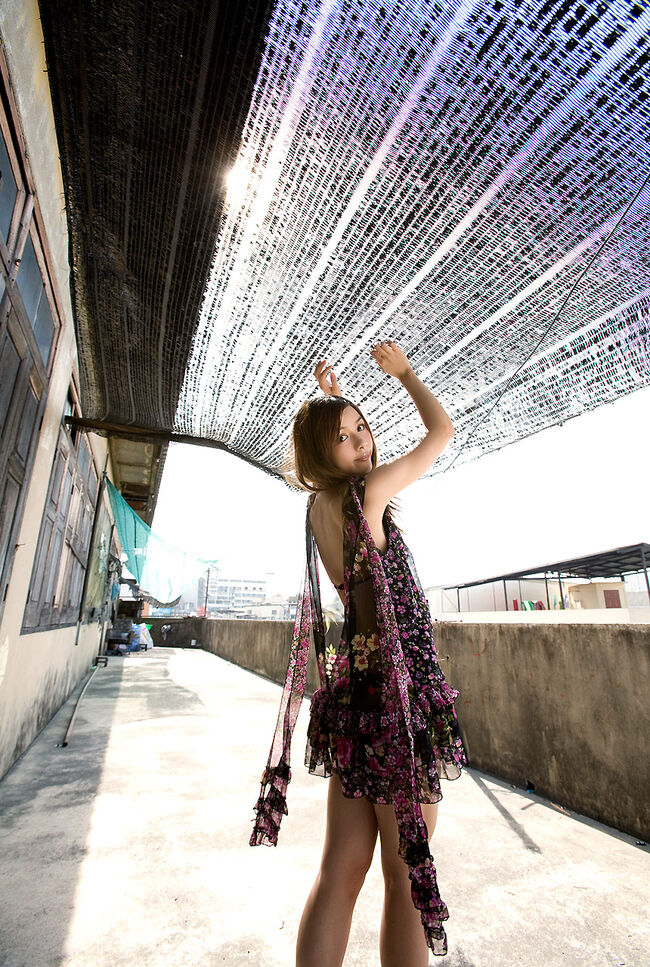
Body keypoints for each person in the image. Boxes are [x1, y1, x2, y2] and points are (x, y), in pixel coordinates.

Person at [250, 340, 466, 966]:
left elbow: (341, 455)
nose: (362, 441)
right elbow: (441, 433)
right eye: (344, 438)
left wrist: (333, 402)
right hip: (397, 699)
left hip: (353, 697)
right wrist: (406, 374)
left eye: (361, 428)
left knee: (339, 875)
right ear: (323, 453)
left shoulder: (318, 508)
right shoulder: (365, 495)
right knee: (405, 877)